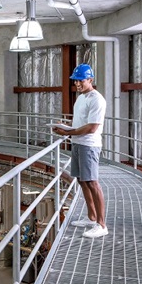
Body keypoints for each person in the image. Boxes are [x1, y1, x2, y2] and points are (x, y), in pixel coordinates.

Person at [52, 63, 108, 238]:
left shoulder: (96, 99)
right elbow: (80, 124)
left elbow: (92, 127)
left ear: (90, 79)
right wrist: (65, 128)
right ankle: (91, 217)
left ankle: (101, 224)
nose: (77, 84)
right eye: (75, 81)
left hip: (89, 145)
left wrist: (67, 132)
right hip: (77, 143)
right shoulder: (81, 98)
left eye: (80, 81)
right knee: (82, 181)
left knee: (92, 181)